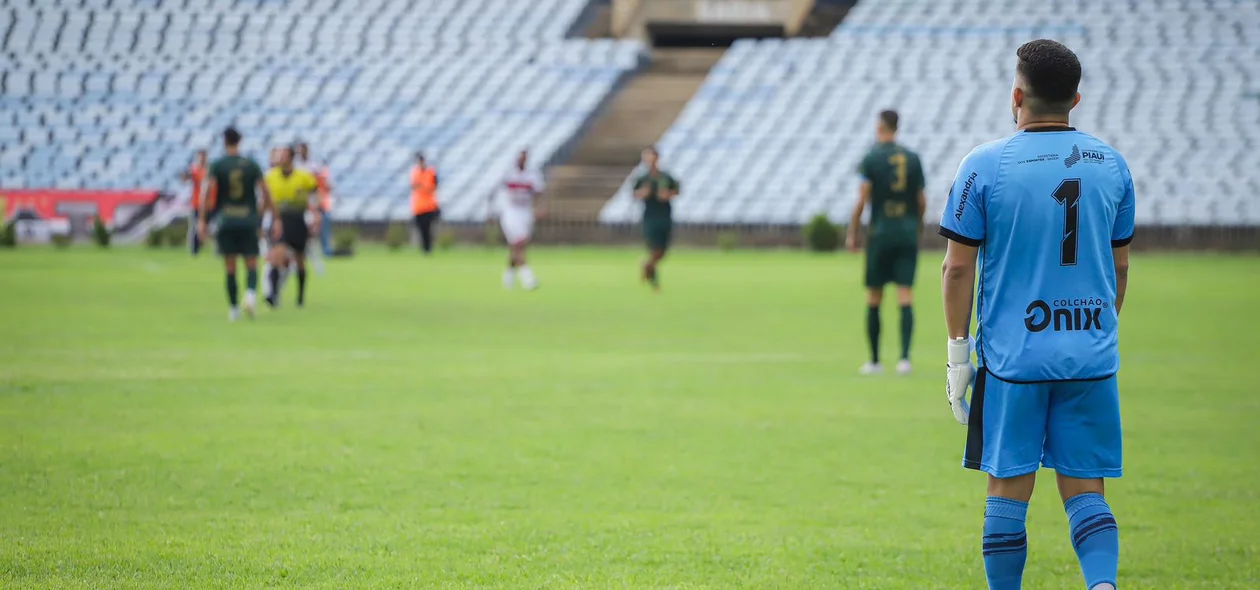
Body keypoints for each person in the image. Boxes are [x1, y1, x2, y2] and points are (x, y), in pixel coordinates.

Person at [939, 39, 1134, 590]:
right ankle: (1102, 585)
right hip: (1090, 356)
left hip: (1013, 359)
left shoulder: (982, 165)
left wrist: (959, 355)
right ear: (1076, 99)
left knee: (1007, 489)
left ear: (1015, 96)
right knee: (1086, 488)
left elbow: (957, 270)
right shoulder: (1112, 165)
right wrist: (1094, 327)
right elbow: (1120, 269)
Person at [846, 110, 926, 375]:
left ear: (879, 127)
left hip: (880, 233)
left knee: (874, 296)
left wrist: (853, 232)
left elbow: (862, 199)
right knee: (905, 294)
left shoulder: (871, 158)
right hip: (905, 232)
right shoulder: (913, 159)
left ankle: (875, 361)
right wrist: (917, 226)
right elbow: (921, 200)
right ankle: (904, 359)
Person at [197, 128, 273, 322]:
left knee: (230, 266)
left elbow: (206, 192)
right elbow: (265, 192)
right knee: (251, 263)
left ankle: (233, 309)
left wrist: (202, 219)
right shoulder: (251, 165)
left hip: (226, 220)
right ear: (240, 141)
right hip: (248, 220)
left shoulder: (218, 165)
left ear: (224, 141)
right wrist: (260, 214)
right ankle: (250, 295)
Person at [264, 146, 322, 308]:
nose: (279, 158)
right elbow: (265, 199)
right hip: (279, 220)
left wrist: (316, 214)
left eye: (283, 155)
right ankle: (273, 295)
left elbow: (314, 194)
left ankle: (300, 297)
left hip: (297, 219)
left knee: (299, 259)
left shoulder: (304, 176)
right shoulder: (271, 176)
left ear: (290, 157)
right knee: (277, 256)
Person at [494, 150, 545, 290]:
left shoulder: (533, 175)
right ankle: (528, 278)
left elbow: (539, 193)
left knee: (517, 246)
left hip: (525, 212)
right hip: (510, 212)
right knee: (519, 243)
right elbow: (498, 192)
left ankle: (508, 275)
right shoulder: (508, 173)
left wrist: (539, 208)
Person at [632, 147, 679, 291]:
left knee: (662, 251)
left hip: (664, 216)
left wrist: (668, 195)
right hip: (650, 217)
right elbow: (635, 194)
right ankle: (654, 281)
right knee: (654, 248)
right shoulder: (642, 178)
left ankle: (647, 265)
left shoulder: (665, 177)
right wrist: (643, 193)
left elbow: (676, 190)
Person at [296, 142, 335, 257]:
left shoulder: (313, 166)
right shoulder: (296, 166)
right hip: (300, 200)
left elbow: (322, 185)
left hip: (312, 199)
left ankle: (324, 248)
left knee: (320, 222)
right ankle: (302, 249)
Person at [410, 153, 440, 254]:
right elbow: (414, 187)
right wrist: (424, 187)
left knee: (428, 229)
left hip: (429, 206)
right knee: (421, 229)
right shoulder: (415, 173)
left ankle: (428, 248)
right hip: (418, 206)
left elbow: (433, 187)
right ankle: (424, 248)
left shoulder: (431, 172)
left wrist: (422, 187)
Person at [181, 149, 209, 255]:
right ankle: (194, 249)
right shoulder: (194, 170)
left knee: (208, 225)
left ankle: (207, 245)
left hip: (208, 204)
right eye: (200, 156)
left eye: (203, 156)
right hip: (196, 203)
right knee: (194, 226)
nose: (202, 158)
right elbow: (185, 178)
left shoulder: (209, 169)